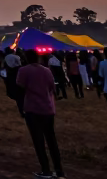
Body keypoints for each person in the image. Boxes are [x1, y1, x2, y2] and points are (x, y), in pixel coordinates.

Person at [15, 49, 65, 178]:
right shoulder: (46, 70)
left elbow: (20, 88)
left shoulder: (23, 70)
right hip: (47, 108)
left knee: (38, 141)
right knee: (51, 139)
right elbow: (52, 88)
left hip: (33, 108)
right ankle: (59, 170)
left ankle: (46, 170)